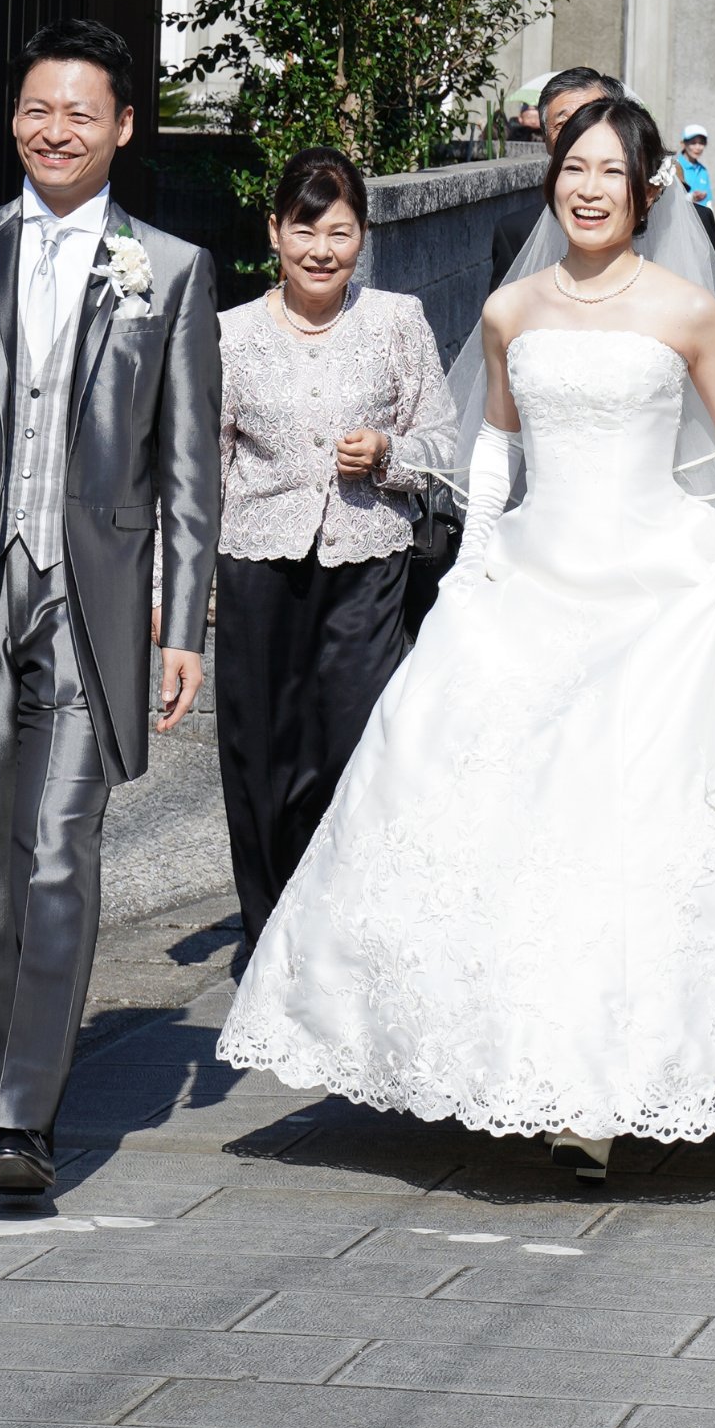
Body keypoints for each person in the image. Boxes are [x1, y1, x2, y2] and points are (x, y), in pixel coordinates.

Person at [221, 95, 715, 1166]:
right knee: (507, 833)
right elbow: (495, 444)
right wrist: (479, 558)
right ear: (554, 182)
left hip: (657, 578)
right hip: (533, 578)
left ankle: (624, 1084)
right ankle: (533, 1074)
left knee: (647, 835)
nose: (587, 188)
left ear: (644, 190)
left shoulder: (683, 308)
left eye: (609, 171)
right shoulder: (511, 310)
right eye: (572, 168)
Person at [0, 16, 217, 1201]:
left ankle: (24, 1114)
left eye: (80, 111)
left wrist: (182, 627)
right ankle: (9, 1058)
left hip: (93, 595)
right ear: (12, 118)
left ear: (123, 125)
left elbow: (186, 473)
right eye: (36, 108)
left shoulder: (166, 271)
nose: (53, 128)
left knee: (58, 841)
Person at [214, 147, 456, 958]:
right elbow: (200, 470)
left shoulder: (396, 320)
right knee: (262, 750)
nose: (323, 249)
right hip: (256, 564)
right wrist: (172, 591)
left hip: (369, 563)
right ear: (275, 232)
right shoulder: (228, 336)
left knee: (354, 743)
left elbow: (445, 443)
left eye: (342, 232)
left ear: (363, 239)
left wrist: (387, 450)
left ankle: (343, 929)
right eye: (305, 229)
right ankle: (270, 935)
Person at [490, 65, 615, 289]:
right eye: (563, 124)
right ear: (546, 139)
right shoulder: (517, 232)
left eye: (592, 119)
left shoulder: (676, 225)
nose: (578, 133)